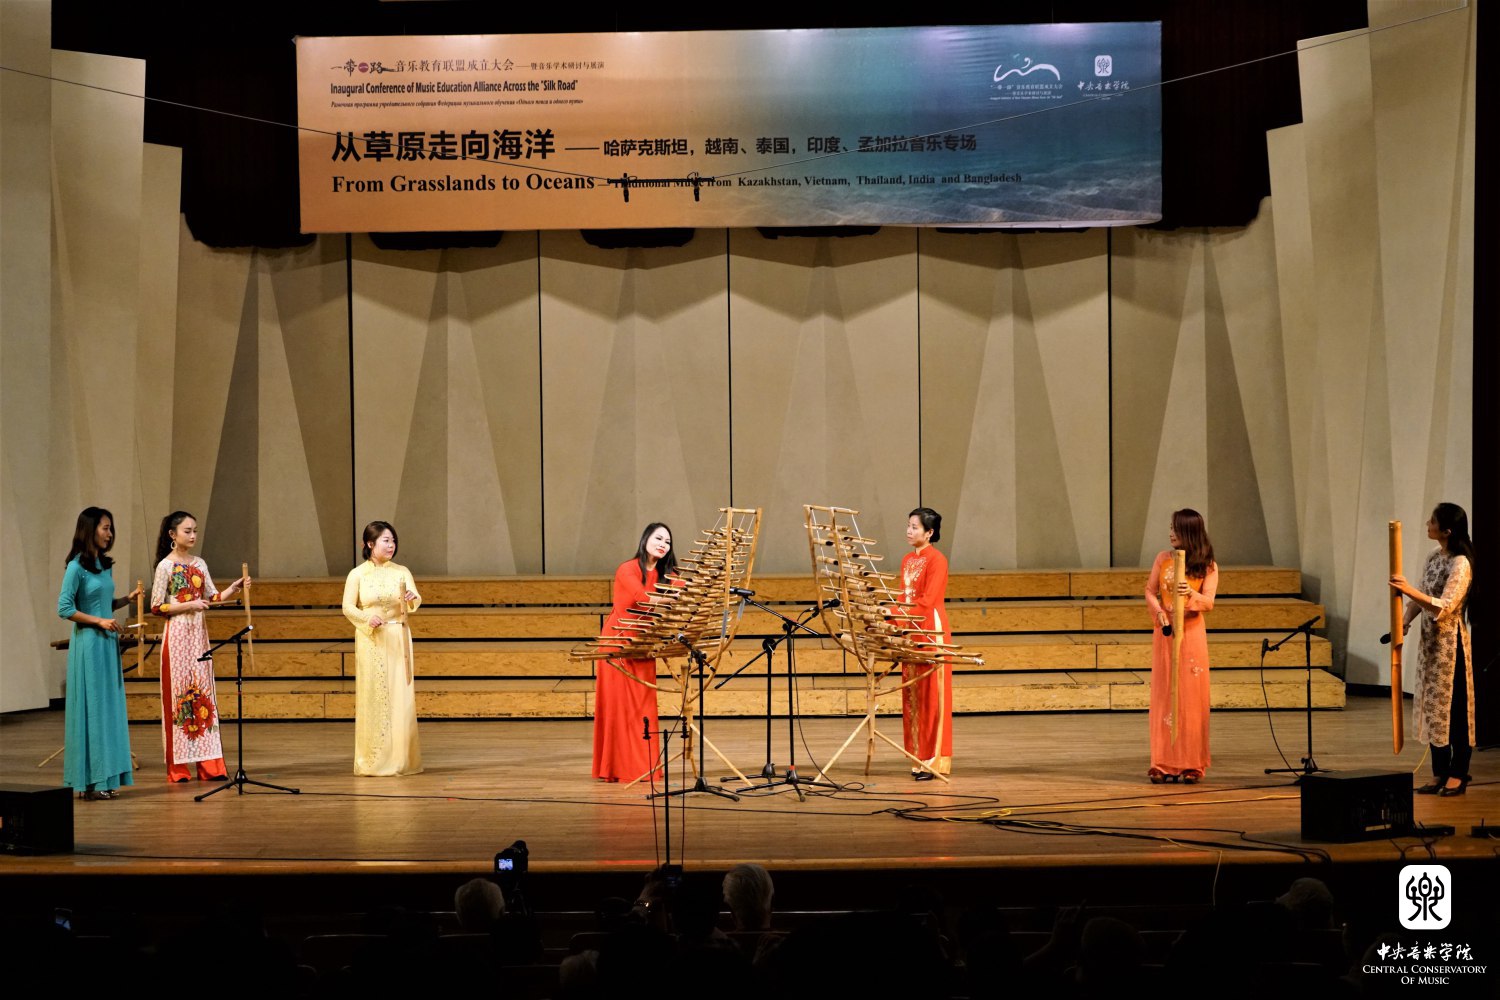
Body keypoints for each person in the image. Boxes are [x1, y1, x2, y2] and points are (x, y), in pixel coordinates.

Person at [150, 511, 246, 782]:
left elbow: (212, 597)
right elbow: (157, 606)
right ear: (172, 534)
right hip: (177, 637)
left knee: (202, 694)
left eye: (195, 531)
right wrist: (188, 605)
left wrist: (233, 589)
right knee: (178, 697)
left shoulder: (200, 563)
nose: (193, 535)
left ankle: (210, 765)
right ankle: (179, 767)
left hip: (199, 637)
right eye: (187, 531)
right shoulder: (165, 566)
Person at [1391, 502, 1475, 796]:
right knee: (1433, 707)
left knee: (1455, 709)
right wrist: (1403, 622)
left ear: (1447, 531)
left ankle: (1458, 773)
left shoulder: (1461, 563)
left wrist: (1407, 590)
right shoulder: (1433, 556)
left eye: (1433, 521)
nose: (1428, 524)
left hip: (1451, 646)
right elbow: (1423, 595)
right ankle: (1440, 772)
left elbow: (1445, 605)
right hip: (1430, 643)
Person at [58, 507, 140, 800]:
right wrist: (99, 621)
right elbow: (65, 608)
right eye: (105, 528)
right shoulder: (75, 567)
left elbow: (103, 602)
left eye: (110, 528)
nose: (110, 533)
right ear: (89, 529)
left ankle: (107, 777)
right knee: (93, 708)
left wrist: (125, 600)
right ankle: (92, 781)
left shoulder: (104, 565)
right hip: (89, 644)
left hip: (106, 643)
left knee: (108, 709)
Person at [592, 523, 675, 783]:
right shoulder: (627, 569)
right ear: (646, 539)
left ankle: (643, 766)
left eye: (667, 542)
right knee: (619, 706)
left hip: (643, 642)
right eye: (658, 538)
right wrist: (674, 596)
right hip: (618, 640)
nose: (663, 544)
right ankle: (616, 767)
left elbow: (686, 587)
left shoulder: (665, 574)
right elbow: (641, 597)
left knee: (643, 705)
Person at [1143, 508, 1218, 783]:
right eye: (1170, 528)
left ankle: (1191, 764)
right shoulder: (1163, 558)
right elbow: (1150, 590)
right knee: (1165, 695)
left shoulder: (1208, 565)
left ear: (1188, 531)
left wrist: (1191, 594)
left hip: (1192, 635)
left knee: (1190, 697)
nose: (1170, 533)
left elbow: (1208, 602)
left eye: (1175, 528)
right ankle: (1162, 763)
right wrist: (1159, 613)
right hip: (1166, 633)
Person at [343, 520, 422, 776]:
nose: (391, 545)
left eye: (393, 540)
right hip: (372, 639)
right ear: (370, 544)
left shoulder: (402, 571)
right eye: (386, 540)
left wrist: (412, 598)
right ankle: (373, 760)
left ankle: (401, 759)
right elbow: (348, 607)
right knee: (374, 696)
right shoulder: (357, 574)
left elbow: (415, 599)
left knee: (401, 697)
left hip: (398, 636)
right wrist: (367, 618)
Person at [899, 507, 953, 780]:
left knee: (932, 696)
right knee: (913, 695)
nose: (909, 531)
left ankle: (934, 760)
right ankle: (917, 758)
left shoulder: (937, 560)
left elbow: (928, 601)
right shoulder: (908, 559)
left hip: (931, 629)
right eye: (908, 526)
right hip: (911, 628)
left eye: (915, 527)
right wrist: (894, 621)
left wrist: (894, 614)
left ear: (929, 532)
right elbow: (904, 597)